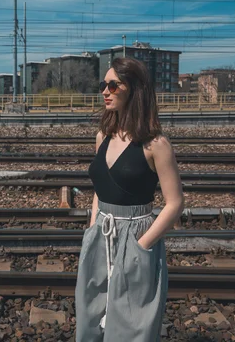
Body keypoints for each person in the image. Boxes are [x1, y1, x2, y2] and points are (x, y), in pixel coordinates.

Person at [75, 57, 184, 341]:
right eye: (103, 84)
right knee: (91, 314)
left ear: (134, 89)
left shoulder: (156, 144)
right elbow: (99, 189)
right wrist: (92, 227)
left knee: (132, 322)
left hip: (136, 235)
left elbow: (174, 203)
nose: (105, 91)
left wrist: (142, 244)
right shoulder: (103, 137)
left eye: (113, 85)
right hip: (101, 233)